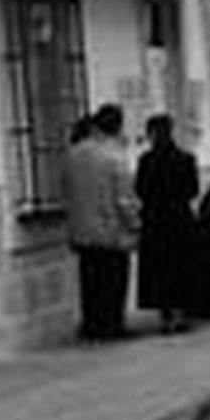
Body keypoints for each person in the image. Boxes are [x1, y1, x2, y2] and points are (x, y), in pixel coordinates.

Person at [63, 104, 140, 341]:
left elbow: (66, 189)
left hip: (81, 231)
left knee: (90, 281)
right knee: (114, 281)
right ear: (117, 126)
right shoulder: (114, 156)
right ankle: (111, 326)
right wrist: (135, 224)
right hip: (111, 231)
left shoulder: (73, 154)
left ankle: (92, 325)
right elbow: (124, 199)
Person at [134, 113, 200, 333]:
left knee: (160, 270)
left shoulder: (146, 161)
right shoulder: (186, 158)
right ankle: (183, 314)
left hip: (155, 222)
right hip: (180, 219)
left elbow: (140, 190)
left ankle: (166, 316)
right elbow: (193, 190)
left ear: (152, 134)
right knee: (181, 267)